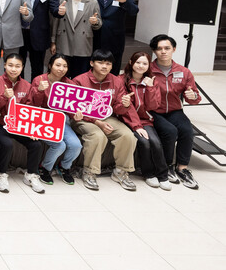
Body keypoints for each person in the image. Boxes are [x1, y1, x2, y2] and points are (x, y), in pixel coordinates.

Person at [73, 49, 137, 191]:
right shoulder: (79, 80)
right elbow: (73, 108)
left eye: (108, 63)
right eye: (100, 62)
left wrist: (125, 105)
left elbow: (118, 109)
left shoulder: (116, 81)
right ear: (91, 63)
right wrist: (97, 122)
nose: (104, 66)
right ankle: (89, 172)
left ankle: (120, 172)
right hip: (82, 117)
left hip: (106, 116)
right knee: (97, 135)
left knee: (127, 135)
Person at [148, 34, 201, 189]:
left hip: (174, 110)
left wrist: (192, 96)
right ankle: (166, 166)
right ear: (154, 51)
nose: (163, 51)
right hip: (154, 111)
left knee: (187, 130)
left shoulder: (184, 71)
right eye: (159, 49)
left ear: (174, 49)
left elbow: (195, 97)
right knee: (170, 131)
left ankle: (182, 168)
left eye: (167, 48)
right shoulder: (148, 70)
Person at [0, 53, 46, 194]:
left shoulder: (26, 85)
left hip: (20, 125)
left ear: (22, 68)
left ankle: (31, 174)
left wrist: (31, 128)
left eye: (17, 66)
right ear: (4, 65)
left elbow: (31, 107)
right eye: (10, 65)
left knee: (36, 144)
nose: (13, 69)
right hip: (0, 123)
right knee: (7, 144)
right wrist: (4, 97)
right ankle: (2, 174)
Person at [120, 51, 171, 190]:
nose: (141, 66)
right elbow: (128, 108)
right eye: (138, 62)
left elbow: (153, 106)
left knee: (155, 142)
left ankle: (163, 175)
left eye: (144, 63)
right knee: (144, 142)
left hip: (145, 119)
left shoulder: (151, 81)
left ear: (149, 66)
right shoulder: (121, 80)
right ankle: (148, 174)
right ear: (131, 62)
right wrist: (137, 126)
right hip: (127, 119)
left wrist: (150, 88)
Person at [29, 53, 82, 185]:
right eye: (58, 65)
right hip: (42, 119)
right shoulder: (39, 80)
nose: (61, 69)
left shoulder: (69, 83)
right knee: (60, 145)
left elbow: (71, 107)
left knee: (76, 145)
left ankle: (64, 167)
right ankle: (45, 168)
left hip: (61, 120)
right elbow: (33, 105)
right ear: (50, 66)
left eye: (65, 66)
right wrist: (40, 90)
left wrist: (75, 115)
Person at [14, 0, 61, 80]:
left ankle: (36, 90)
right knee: (17, 67)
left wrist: (60, 12)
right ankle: (20, 89)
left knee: (37, 68)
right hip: (18, 33)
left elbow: (55, 10)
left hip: (39, 34)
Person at [88, 0, 139, 73]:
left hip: (115, 37)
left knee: (113, 69)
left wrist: (124, 1)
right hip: (94, 37)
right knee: (93, 69)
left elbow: (134, 11)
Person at [51, 0, 103, 78]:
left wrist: (95, 22)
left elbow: (98, 23)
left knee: (79, 77)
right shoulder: (61, 0)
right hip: (64, 42)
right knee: (62, 76)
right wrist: (53, 42)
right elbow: (55, 23)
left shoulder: (92, 2)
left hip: (83, 44)